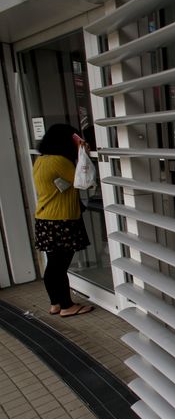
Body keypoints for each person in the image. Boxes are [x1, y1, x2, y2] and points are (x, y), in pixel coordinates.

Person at [33, 124, 93, 317]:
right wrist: (84, 154)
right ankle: (67, 306)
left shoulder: (41, 160)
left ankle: (56, 303)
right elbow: (84, 180)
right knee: (60, 267)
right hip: (61, 220)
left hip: (45, 219)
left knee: (53, 264)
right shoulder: (60, 161)